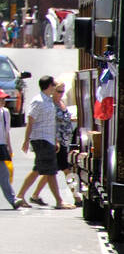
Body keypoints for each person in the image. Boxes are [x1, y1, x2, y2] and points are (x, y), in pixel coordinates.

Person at [18, 75, 71, 208]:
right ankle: (59, 201)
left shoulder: (48, 100)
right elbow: (30, 121)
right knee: (50, 171)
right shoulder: (38, 101)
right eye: (54, 85)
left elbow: (51, 123)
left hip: (48, 139)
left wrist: (55, 140)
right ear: (49, 86)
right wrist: (26, 140)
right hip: (40, 139)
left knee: (38, 170)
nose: (55, 88)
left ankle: (19, 196)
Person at [31, 78, 81, 207]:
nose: (61, 94)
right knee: (65, 169)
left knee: (47, 171)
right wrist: (55, 140)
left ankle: (34, 195)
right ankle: (76, 196)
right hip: (55, 141)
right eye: (58, 91)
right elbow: (50, 123)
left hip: (64, 141)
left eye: (63, 91)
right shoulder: (51, 104)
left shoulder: (61, 103)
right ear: (53, 91)